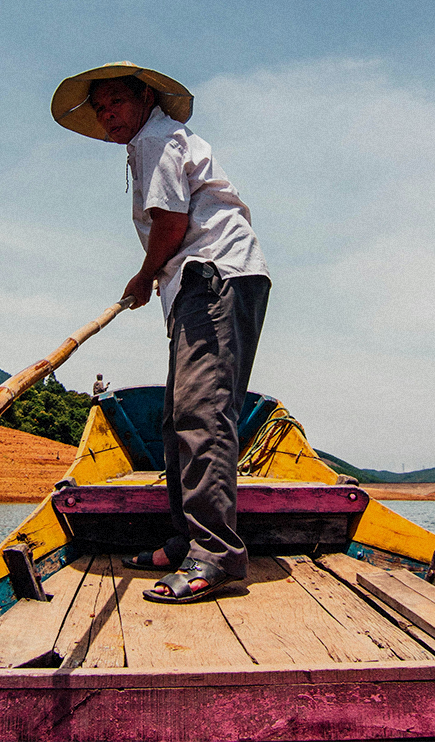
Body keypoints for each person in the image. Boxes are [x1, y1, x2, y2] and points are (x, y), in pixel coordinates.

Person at [52, 62, 270, 603]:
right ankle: (185, 540)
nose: (107, 116)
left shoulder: (157, 139)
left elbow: (171, 225)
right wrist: (157, 281)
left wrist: (143, 277)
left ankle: (214, 554)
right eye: (100, 110)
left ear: (145, 98)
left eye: (116, 103)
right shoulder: (149, 143)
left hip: (214, 276)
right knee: (177, 415)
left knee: (201, 413)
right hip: (197, 283)